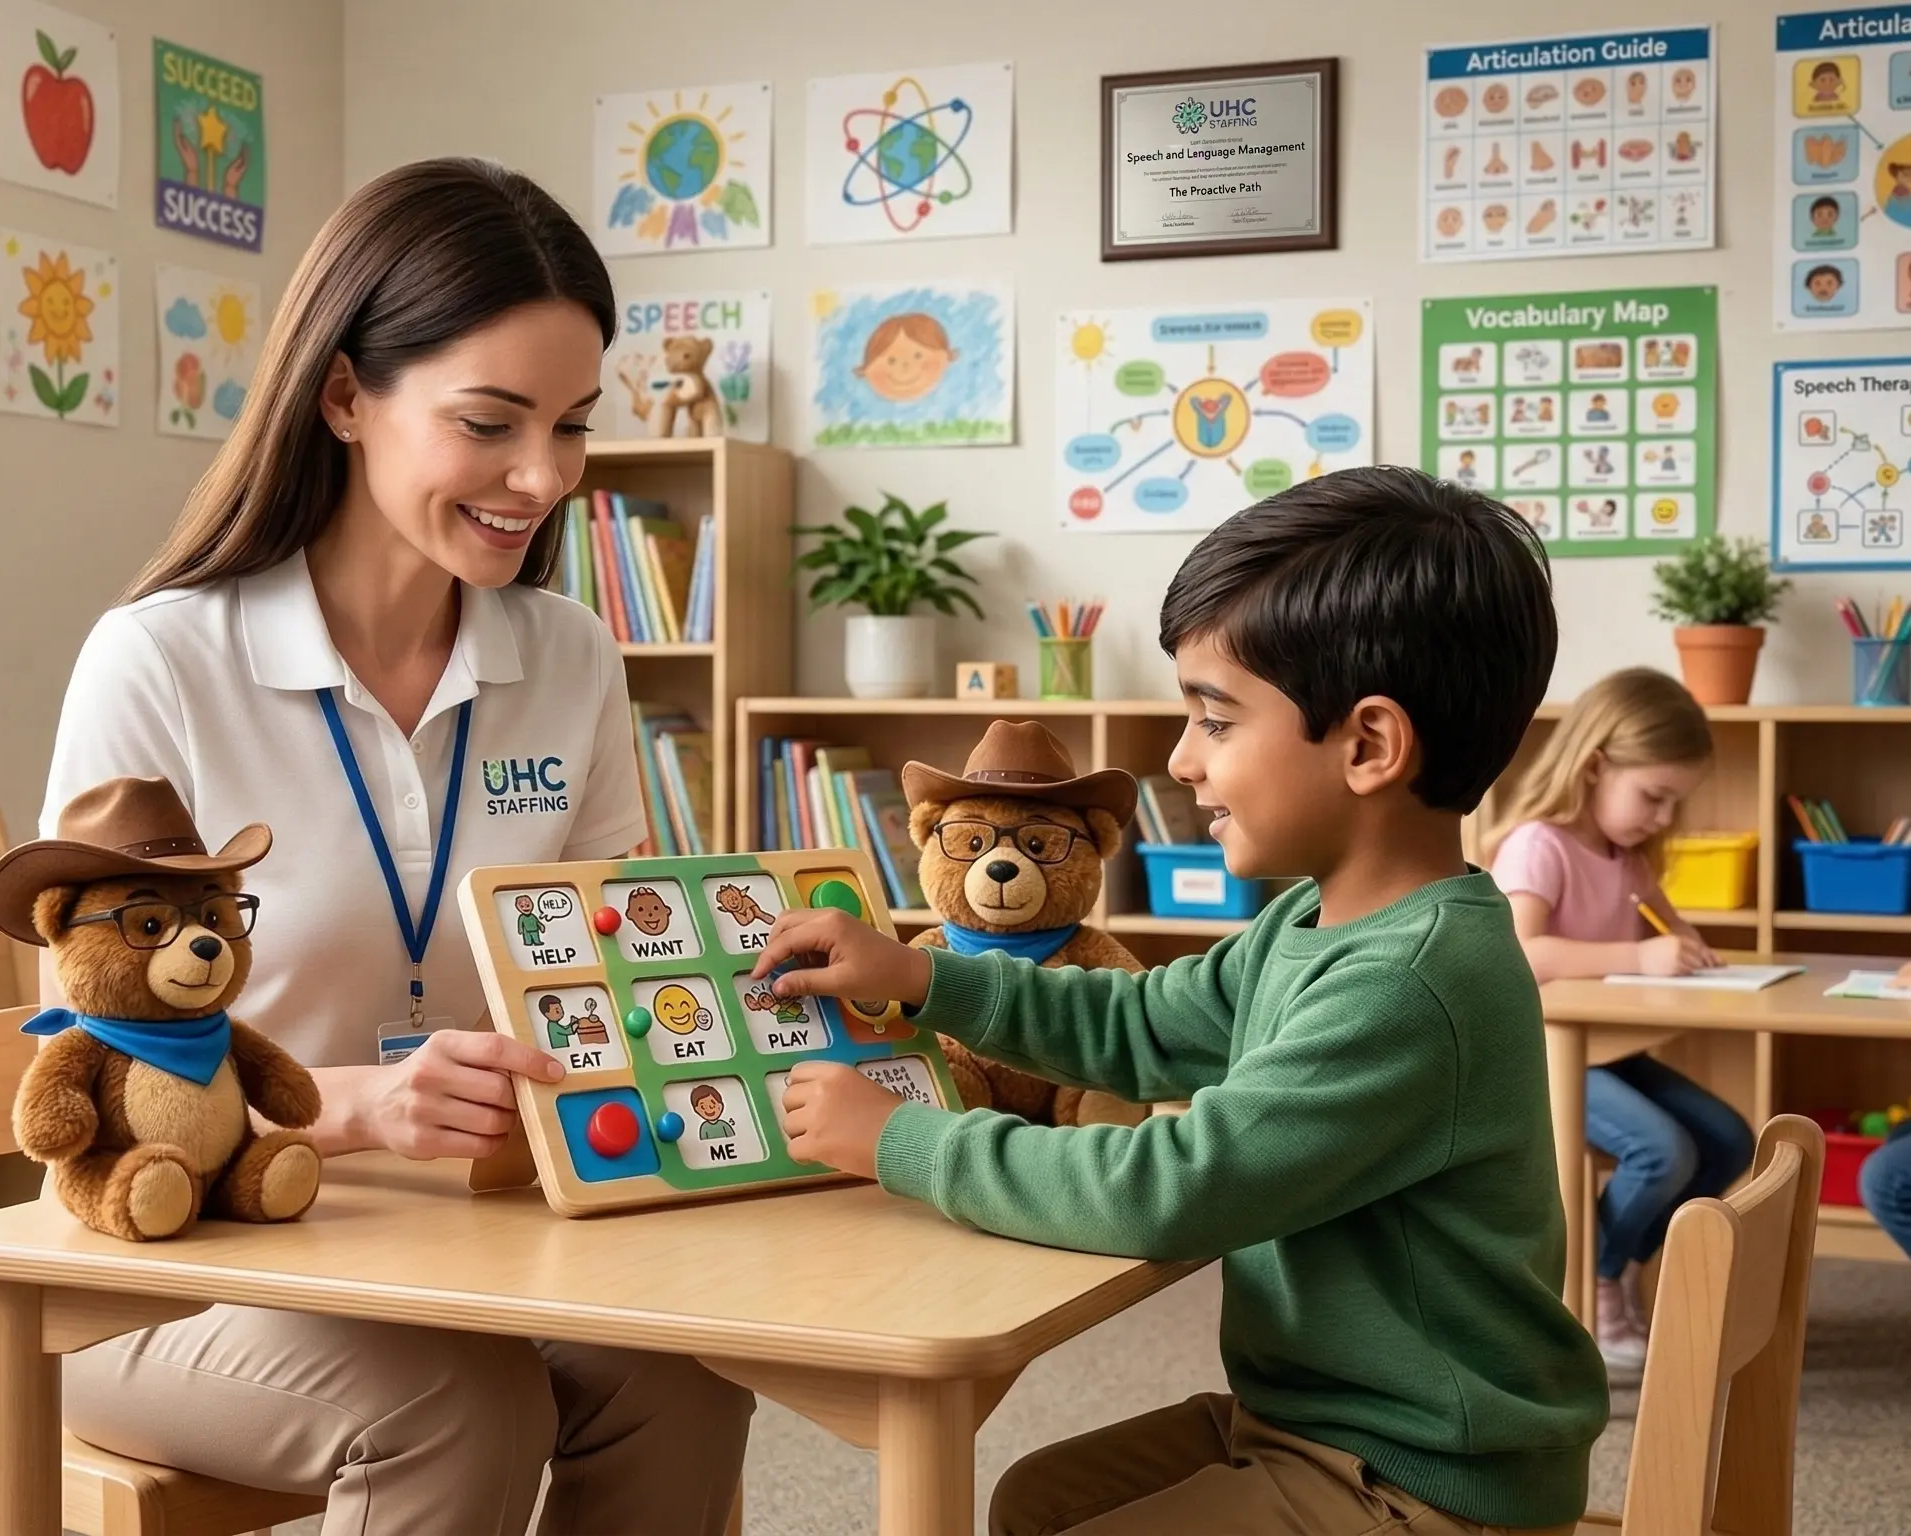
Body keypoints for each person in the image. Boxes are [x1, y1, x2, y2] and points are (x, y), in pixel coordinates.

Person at [33, 157, 750, 1535]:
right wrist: (356, 1107)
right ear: (348, 394)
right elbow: (87, 1050)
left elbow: (602, 971)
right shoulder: (163, 661)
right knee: (458, 1409)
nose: (544, 477)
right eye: (490, 422)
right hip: (178, 1247)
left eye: (572, 426)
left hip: (469, 1237)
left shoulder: (571, 657)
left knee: (689, 1374)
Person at [747, 466, 1606, 1536]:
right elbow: (1138, 1023)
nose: (1179, 760)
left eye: (1215, 720)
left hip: (1418, 1475)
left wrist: (903, 1143)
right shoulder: (1314, 922)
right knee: (1032, 1499)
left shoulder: (1406, 982)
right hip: (1319, 1417)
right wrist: (923, 977)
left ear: (1369, 746)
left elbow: (1171, 1189)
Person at [1482, 666, 1754, 1378]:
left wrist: (1683, 945)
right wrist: (1640, 953)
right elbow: (1522, 950)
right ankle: (1596, 1285)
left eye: (1673, 803)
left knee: (1727, 1141)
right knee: (1662, 1151)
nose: (1661, 819)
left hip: (1608, 1048)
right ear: (1595, 764)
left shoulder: (1621, 853)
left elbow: (1668, 925)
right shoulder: (1538, 845)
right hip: (1541, 1051)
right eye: (1653, 797)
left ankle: (1616, 1269)